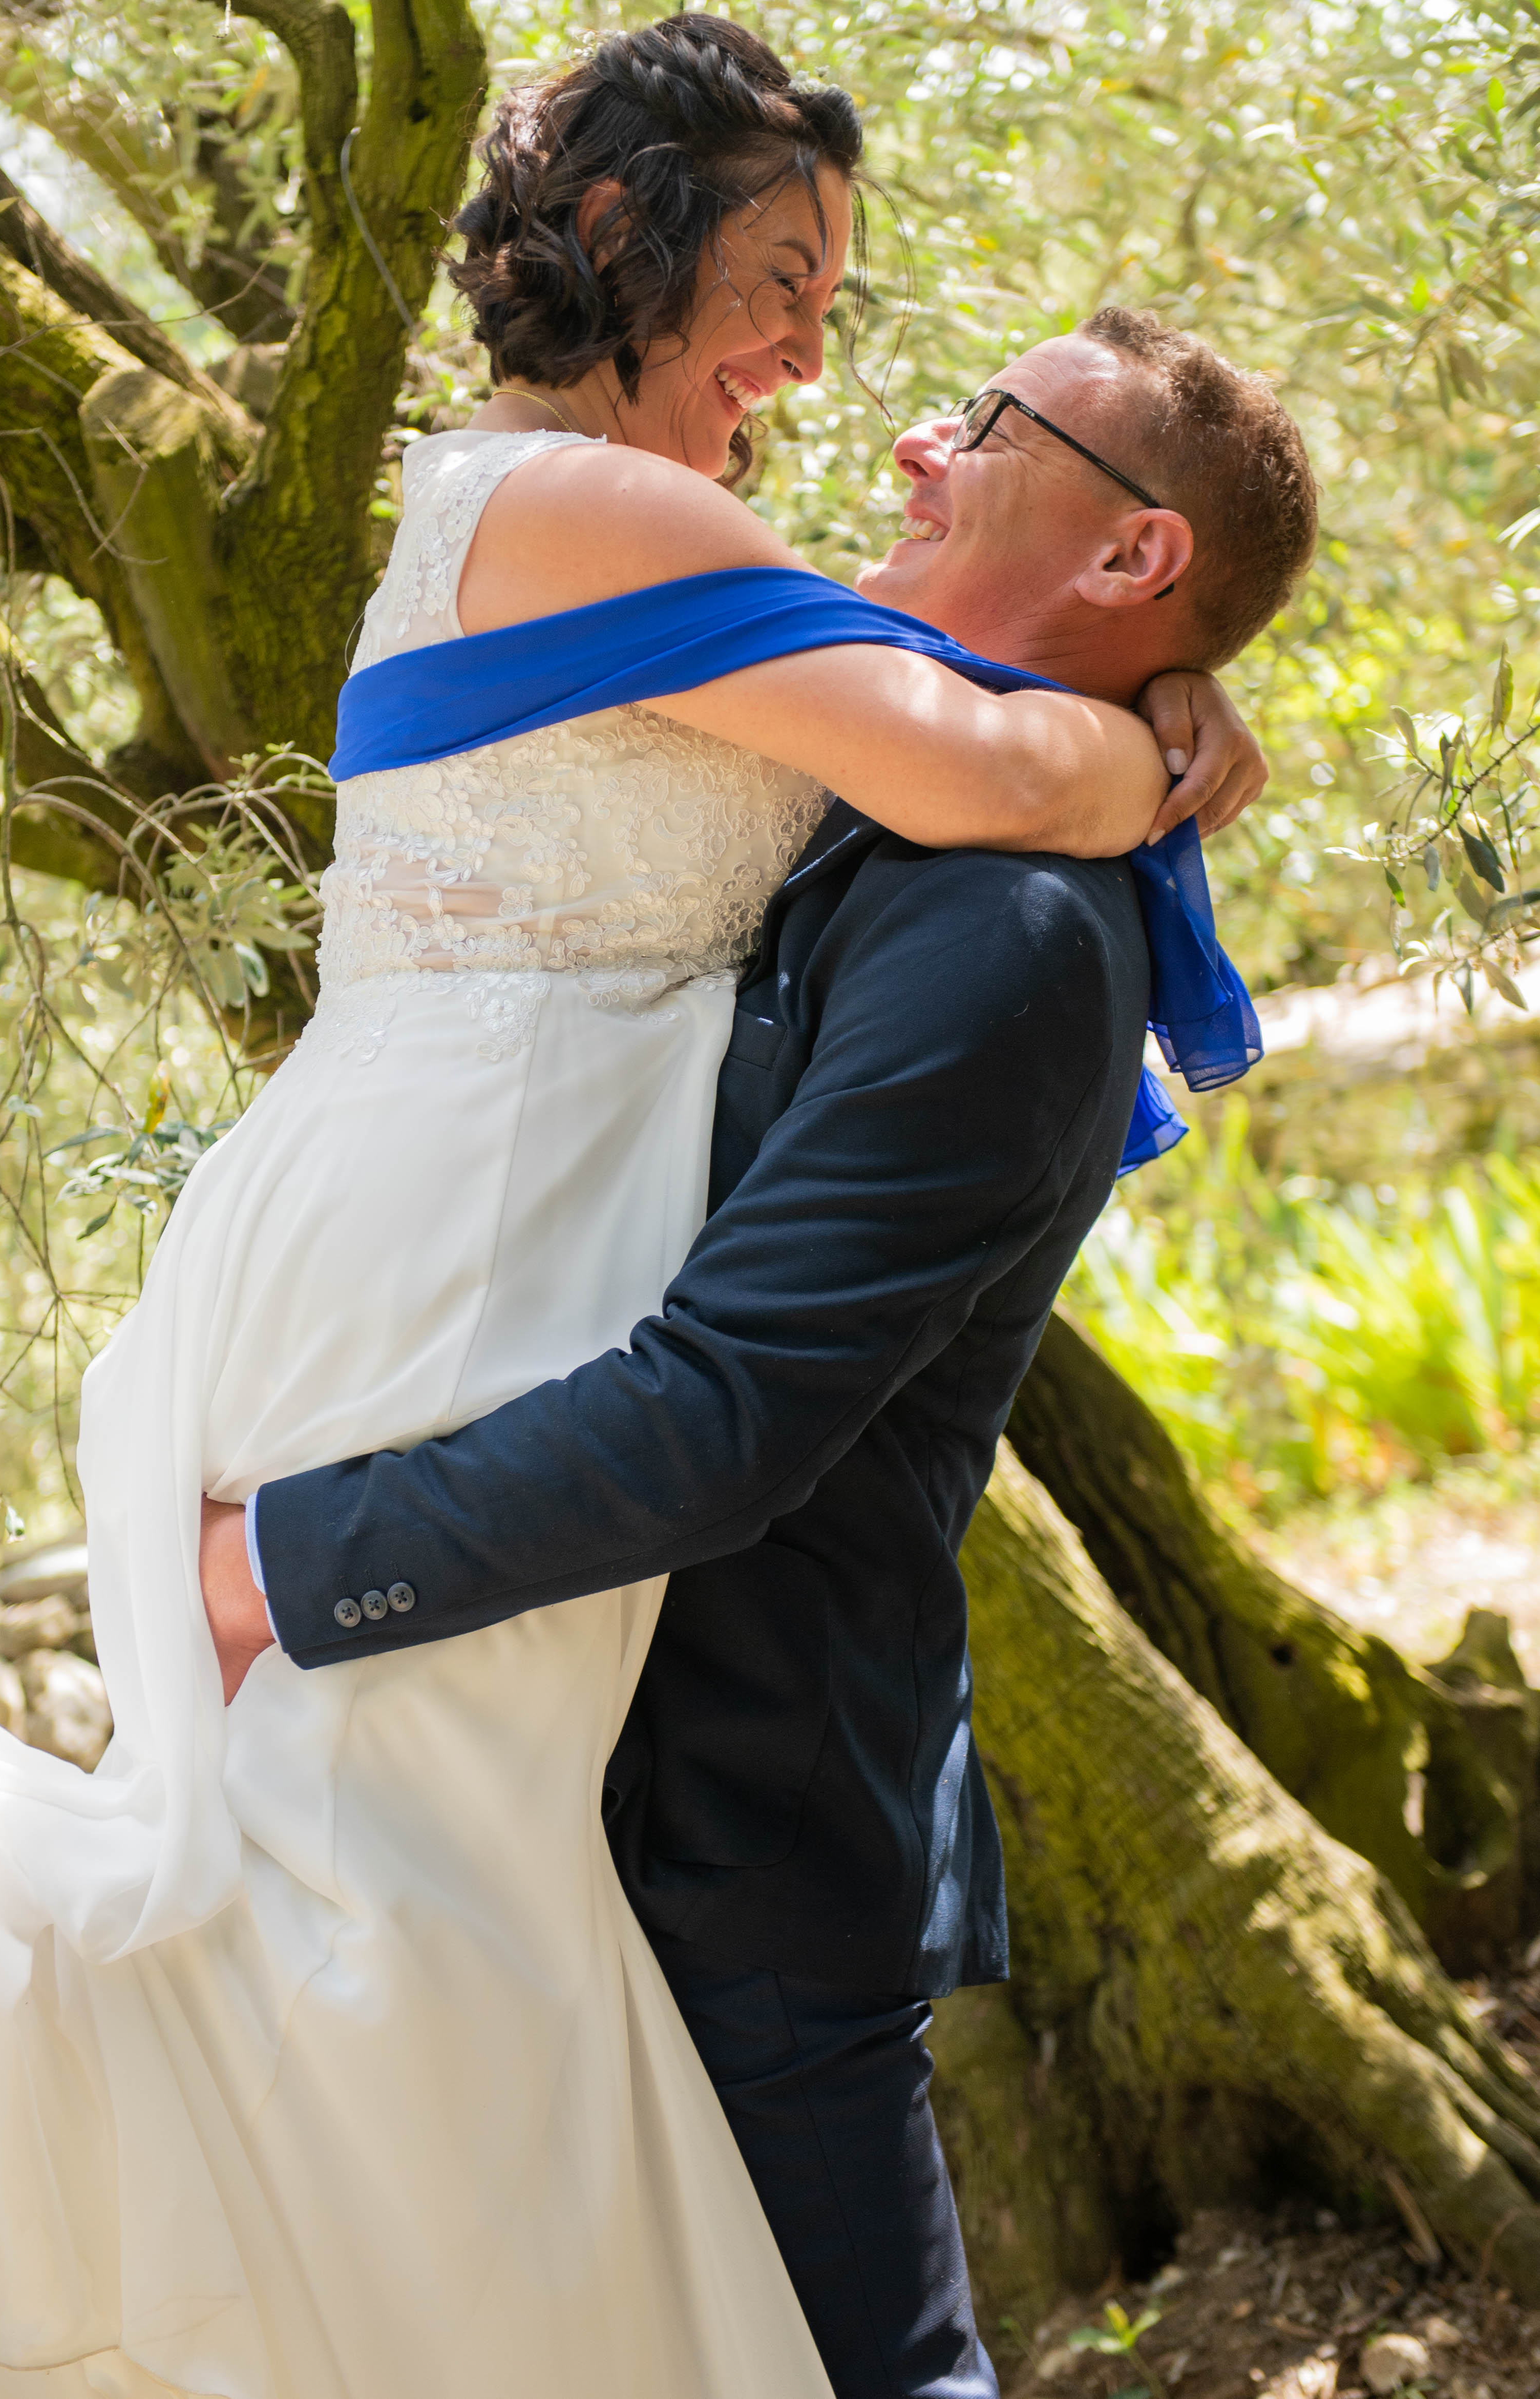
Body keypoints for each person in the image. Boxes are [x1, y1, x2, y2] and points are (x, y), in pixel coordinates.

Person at [0, 15, 1272, 2399]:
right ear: (624, 234)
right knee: (356, 1995)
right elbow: (978, 749)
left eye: (908, 369)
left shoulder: (771, 670)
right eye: (781, 284)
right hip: (442, 1270)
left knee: (376, 2012)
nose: (833, 380)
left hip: (517, 1357)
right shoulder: (591, 516)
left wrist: (1142, 716)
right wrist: (1147, 735)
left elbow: (944, 775)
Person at [199, 238, 1317, 2387]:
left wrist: (283, 1567)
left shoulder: (1009, 933)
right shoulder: (886, 785)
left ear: (1132, 550)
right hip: (528, 1774)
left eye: (985, 426)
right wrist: (1149, 714)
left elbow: (731, 1407)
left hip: (733, 1836)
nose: (908, 440)